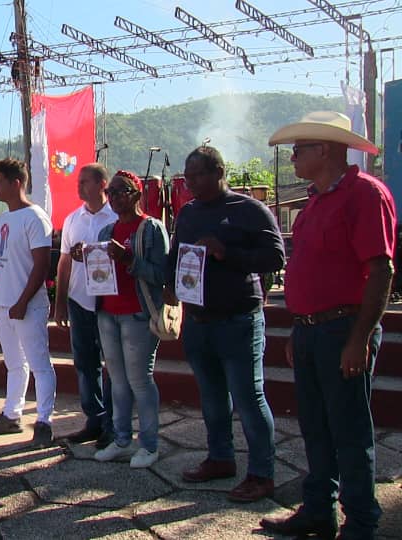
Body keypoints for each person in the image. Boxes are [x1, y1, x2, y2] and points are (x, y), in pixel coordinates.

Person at [260, 112, 396, 539]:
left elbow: (381, 270)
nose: (294, 157)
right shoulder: (315, 201)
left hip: (343, 328)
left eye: (300, 149)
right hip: (311, 330)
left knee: (350, 431)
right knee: (315, 426)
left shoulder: (365, 195)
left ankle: (360, 522)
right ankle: (318, 508)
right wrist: (299, 327)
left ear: (325, 150)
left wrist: (359, 338)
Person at [166, 145, 284, 503]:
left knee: (249, 399)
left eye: (197, 174)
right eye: (187, 176)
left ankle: (262, 474)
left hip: (238, 320)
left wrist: (225, 252)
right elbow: (176, 256)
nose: (190, 182)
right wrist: (169, 288)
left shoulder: (248, 210)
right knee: (213, 398)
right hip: (198, 321)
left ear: (219, 172)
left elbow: (276, 257)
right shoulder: (187, 213)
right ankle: (220, 458)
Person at [0, 158, 56, 448]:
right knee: (14, 364)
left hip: (28, 305)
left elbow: (41, 266)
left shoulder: (35, 217)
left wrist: (23, 300)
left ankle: (44, 421)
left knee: (39, 364)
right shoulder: (5, 218)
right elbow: (2, 262)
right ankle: (12, 415)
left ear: (16, 183)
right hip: (6, 304)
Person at [91, 171, 168, 468]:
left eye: (121, 191)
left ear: (136, 193)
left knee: (139, 380)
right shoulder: (105, 231)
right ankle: (122, 439)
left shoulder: (150, 228)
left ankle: (149, 445)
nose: (114, 197)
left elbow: (161, 275)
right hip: (108, 313)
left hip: (137, 313)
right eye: (111, 192)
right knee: (118, 381)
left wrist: (129, 261)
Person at [54, 163, 117, 449]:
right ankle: (93, 418)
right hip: (80, 301)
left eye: (85, 182)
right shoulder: (72, 220)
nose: (79, 187)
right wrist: (60, 302)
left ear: (103, 184)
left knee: (113, 366)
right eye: (78, 182)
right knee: (85, 363)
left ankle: (113, 424)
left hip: (109, 303)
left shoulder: (116, 216)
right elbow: (64, 262)